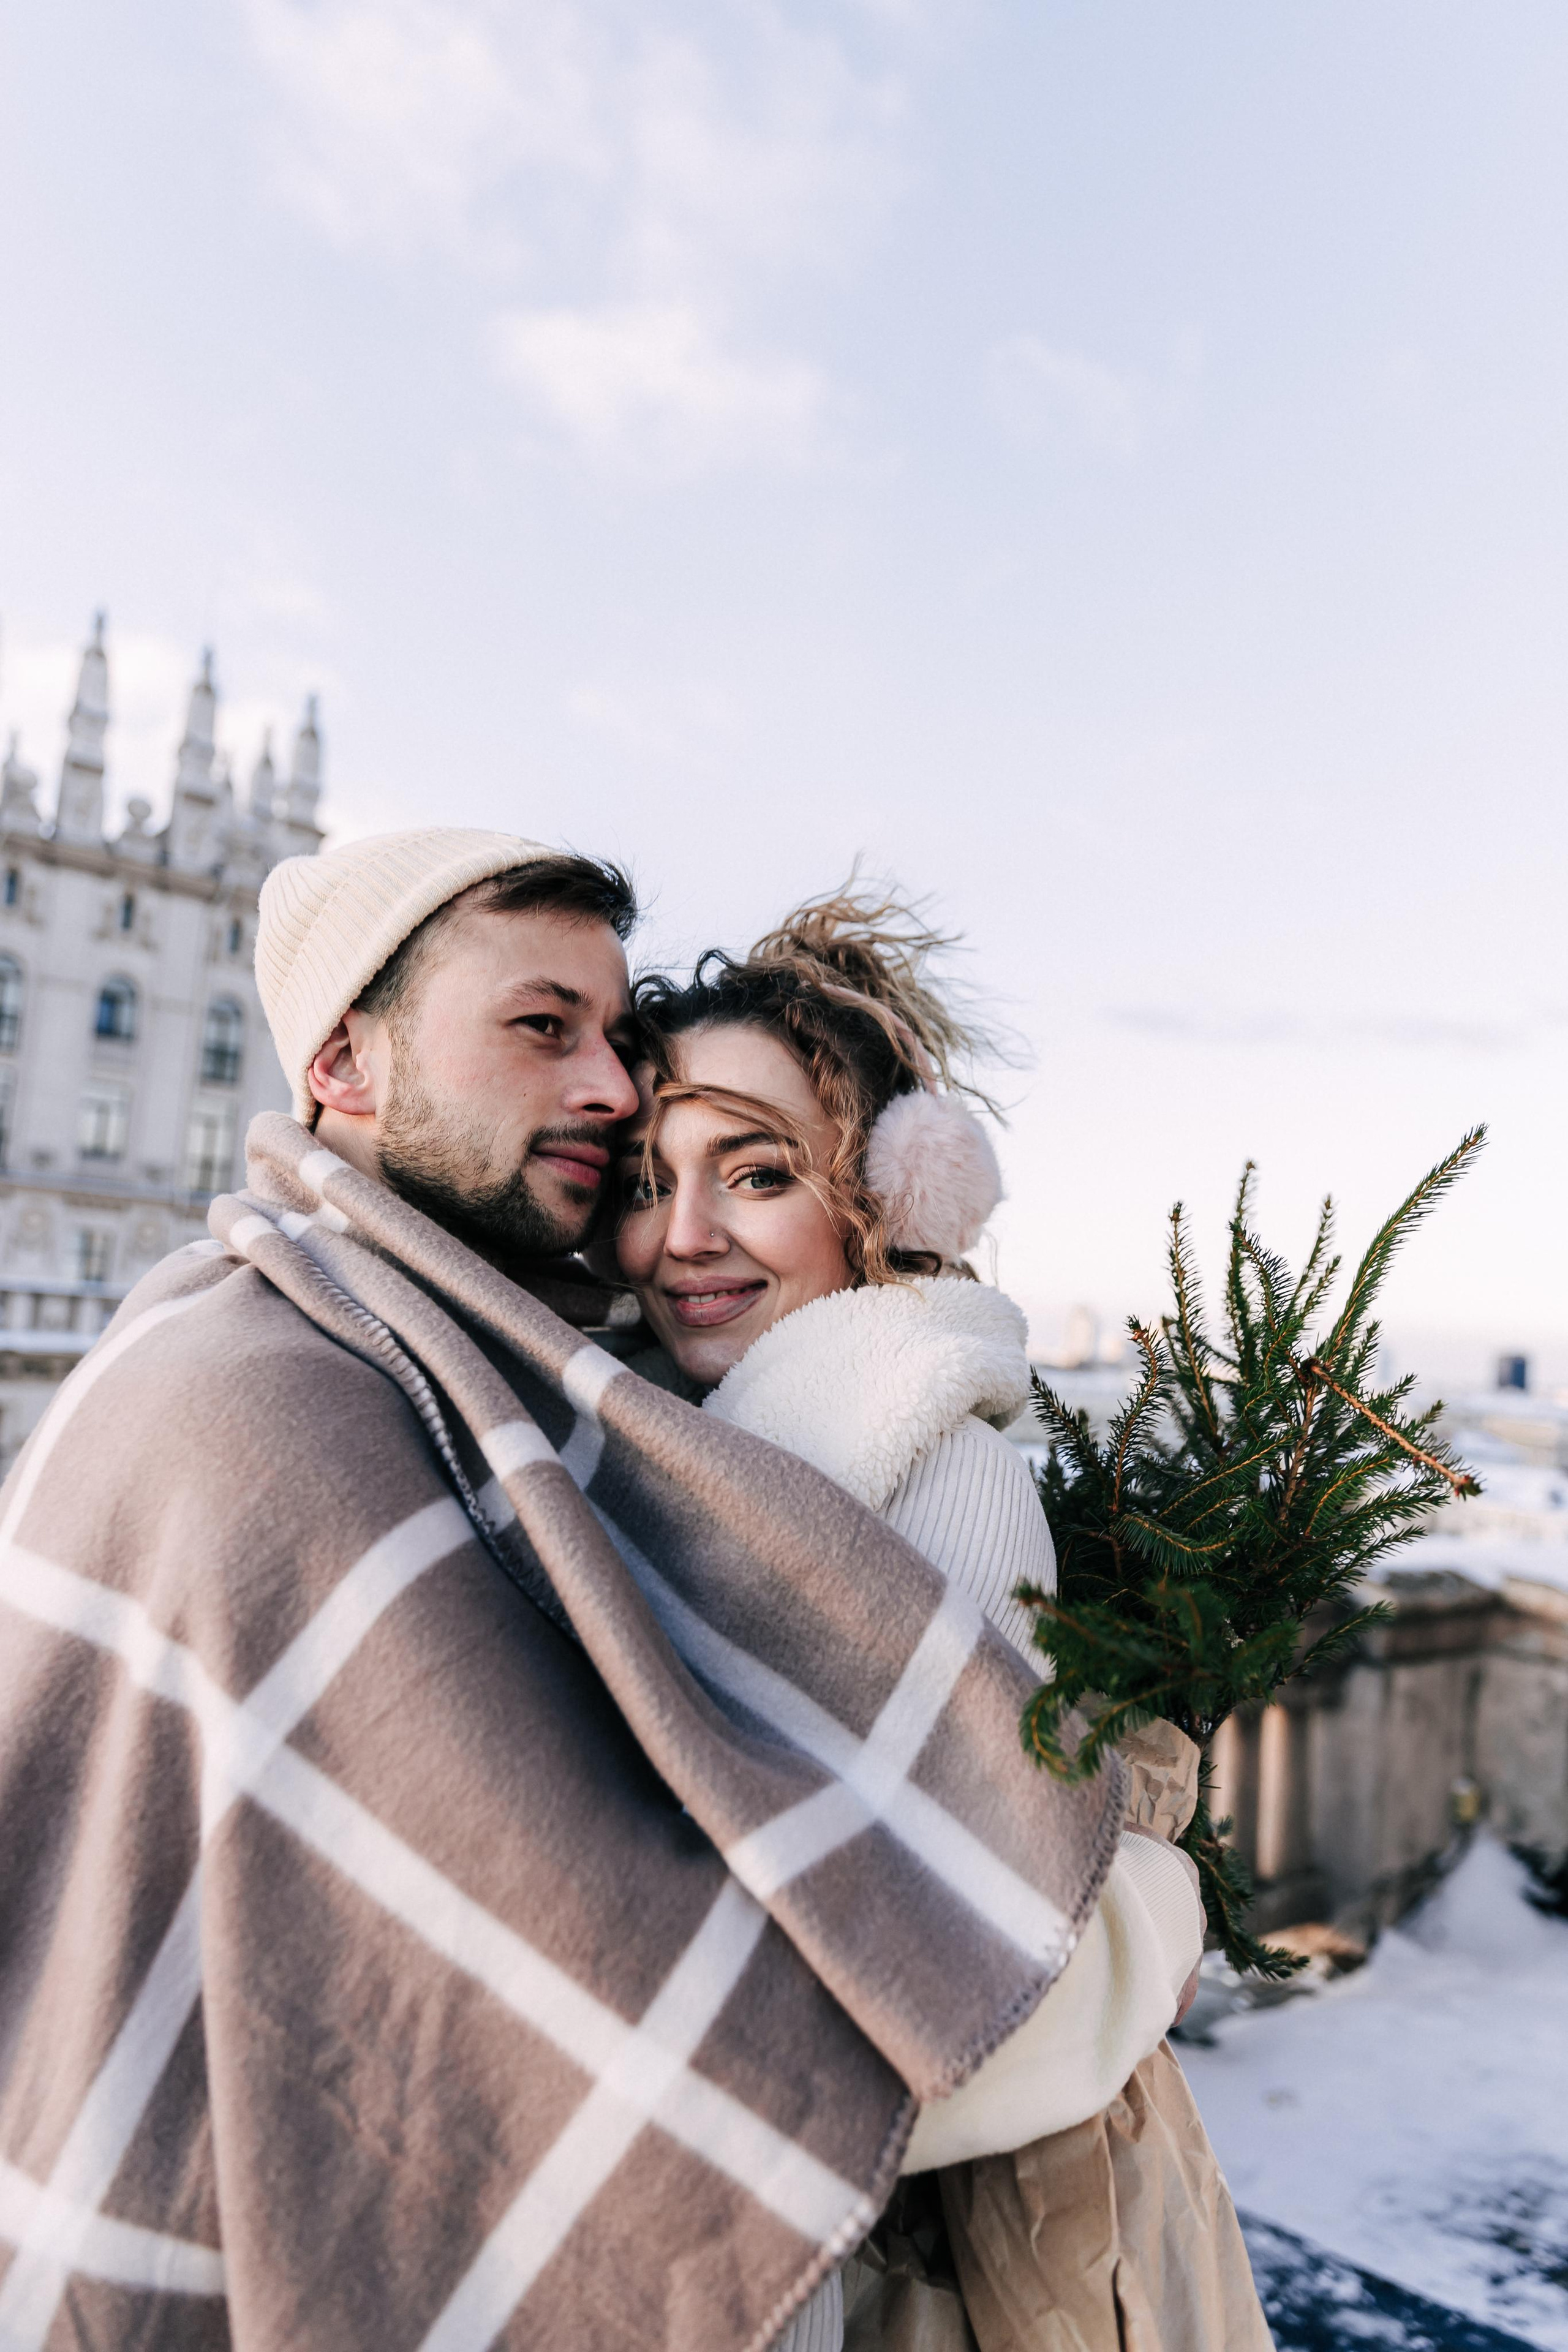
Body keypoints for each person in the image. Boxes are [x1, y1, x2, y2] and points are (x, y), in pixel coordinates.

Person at [0, 831, 1194, 2352]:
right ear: (344, 1066)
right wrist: (1146, 1915)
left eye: (614, 1039)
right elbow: (601, 2012)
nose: (611, 1089)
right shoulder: (282, 1408)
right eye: (540, 1025)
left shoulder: (507, 1383)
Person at [616, 889, 1271, 2351]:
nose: (683, 1237)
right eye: (648, 1182)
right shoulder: (695, 1442)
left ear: (889, 1201)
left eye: (757, 1173)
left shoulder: (928, 1468)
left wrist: (1149, 1916)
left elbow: (964, 1971)